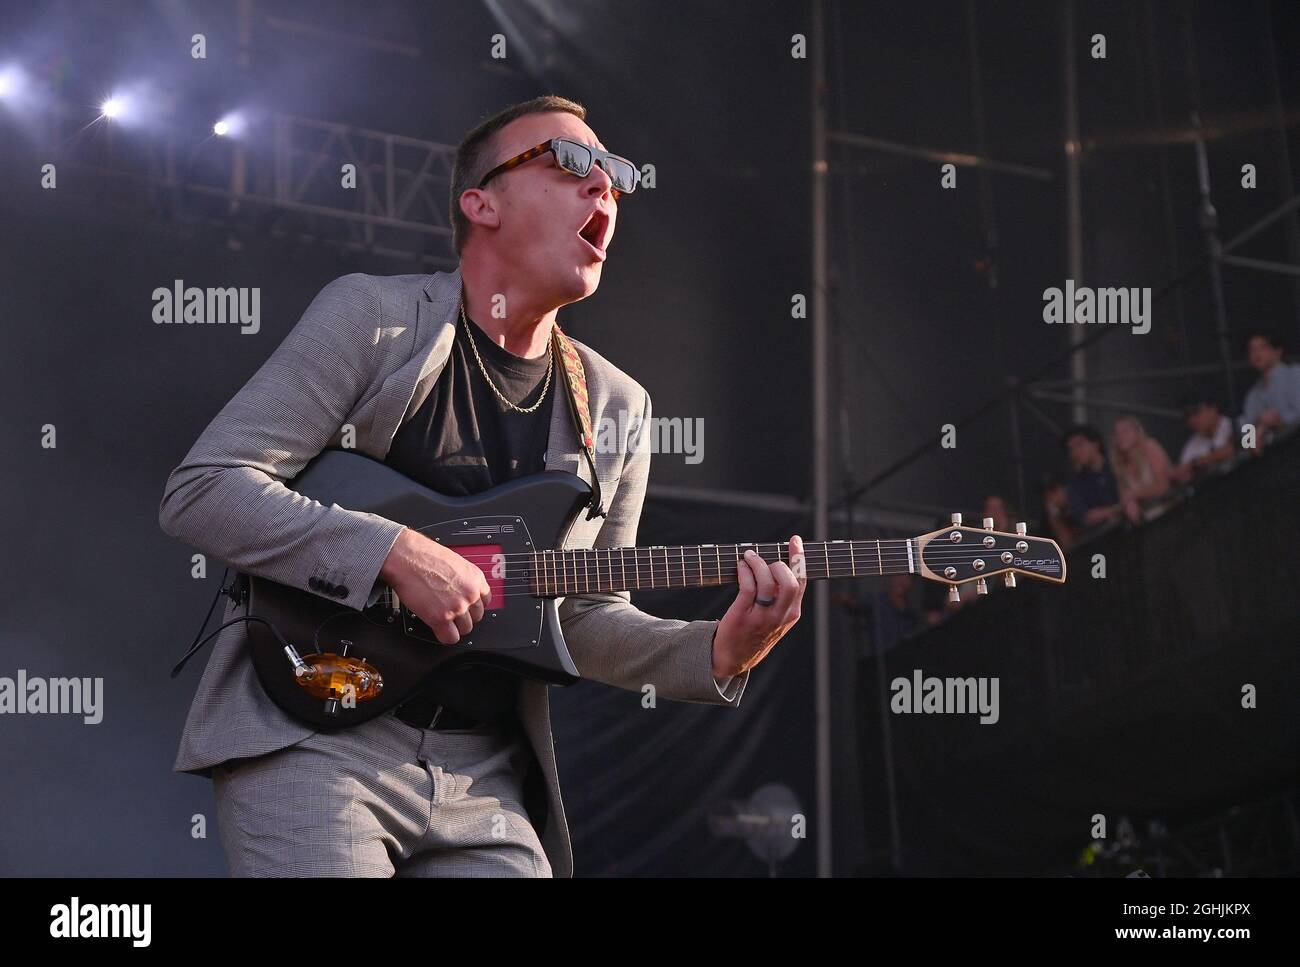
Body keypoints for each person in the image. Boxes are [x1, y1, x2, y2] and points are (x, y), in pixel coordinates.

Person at [159, 95, 806, 877]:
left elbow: (588, 615)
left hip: (483, 779)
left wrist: (720, 649)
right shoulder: (373, 319)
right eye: (572, 163)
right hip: (315, 737)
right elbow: (205, 488)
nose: (604, 187)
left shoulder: (618, 408)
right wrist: (392, 550)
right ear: (482, 202)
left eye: (616, 175)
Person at [1239, 329, 1300, 452]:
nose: (1256, 354)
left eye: (1262, 348)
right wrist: (1258, 427)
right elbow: (1246, 440)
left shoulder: (1294, 374)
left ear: (1277, 351)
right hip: (1271, 460)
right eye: (1252, 350)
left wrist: (1280, 421)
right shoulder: (1252, 395)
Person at [1059, 424, 1122, 541]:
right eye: (1071, 449)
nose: (1076, 452)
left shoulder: (1117, 465)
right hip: (1105, 542)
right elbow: (1085, 517)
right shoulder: (1075, 485)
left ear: (1095, 443)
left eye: (1080, 445)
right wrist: (1116, 510)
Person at [1110, 415, 1174, 524]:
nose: (1121, 436)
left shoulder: (1150, 447)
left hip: (1168, 510)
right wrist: (1130, 502)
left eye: (1125, 431)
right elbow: (1125, 496)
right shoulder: (1120, 465)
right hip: (1147, 519)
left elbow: (1163, 485)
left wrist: (1134, 494)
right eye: (1117, 434)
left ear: (1137, 432)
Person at [1169, 399, 1235, 485]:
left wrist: (1198, 463)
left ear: (1212, 409)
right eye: (1187, 416)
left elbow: (1234, 448)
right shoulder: (1192, 444)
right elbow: (1180, 473)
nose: (1191, 420)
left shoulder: (1236, 423)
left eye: (1196, 411)